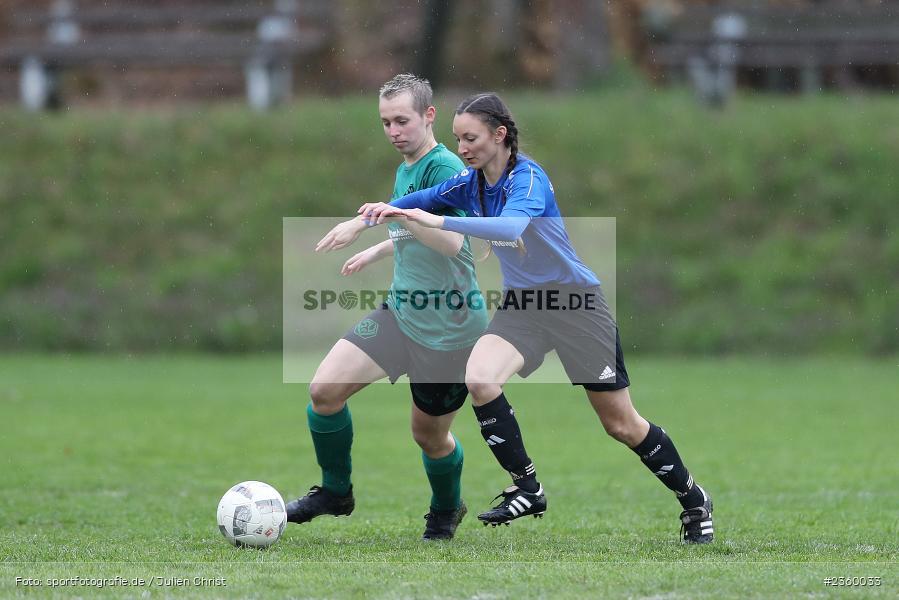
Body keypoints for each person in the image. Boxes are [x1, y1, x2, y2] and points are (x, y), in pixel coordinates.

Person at [317, 92, 715, 543]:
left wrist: (437, 222)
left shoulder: (528, 179)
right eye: (458, 139)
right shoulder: (470, 183)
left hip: (573, 305)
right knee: (480, 379)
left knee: (620, 423)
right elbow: (409, 203)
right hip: (524, 306)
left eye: (471, 138)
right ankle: (528, 487)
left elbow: (508, 228)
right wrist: (365, 220)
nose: (463, 148)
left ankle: (693, 499)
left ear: (499, 134)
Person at [287, 74, 487, 541]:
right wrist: (380, 248)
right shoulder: (407, 168)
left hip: (449, 330)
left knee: (429, 437)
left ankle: (445, 507)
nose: (394, 130)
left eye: (402, 120)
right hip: (401, 313)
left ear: (429, 116)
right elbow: (411, 230)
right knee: (324, 392)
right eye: (385, 122)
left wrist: (387, 217)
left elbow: (450, 241)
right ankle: (336, 492)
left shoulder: (446, 167)